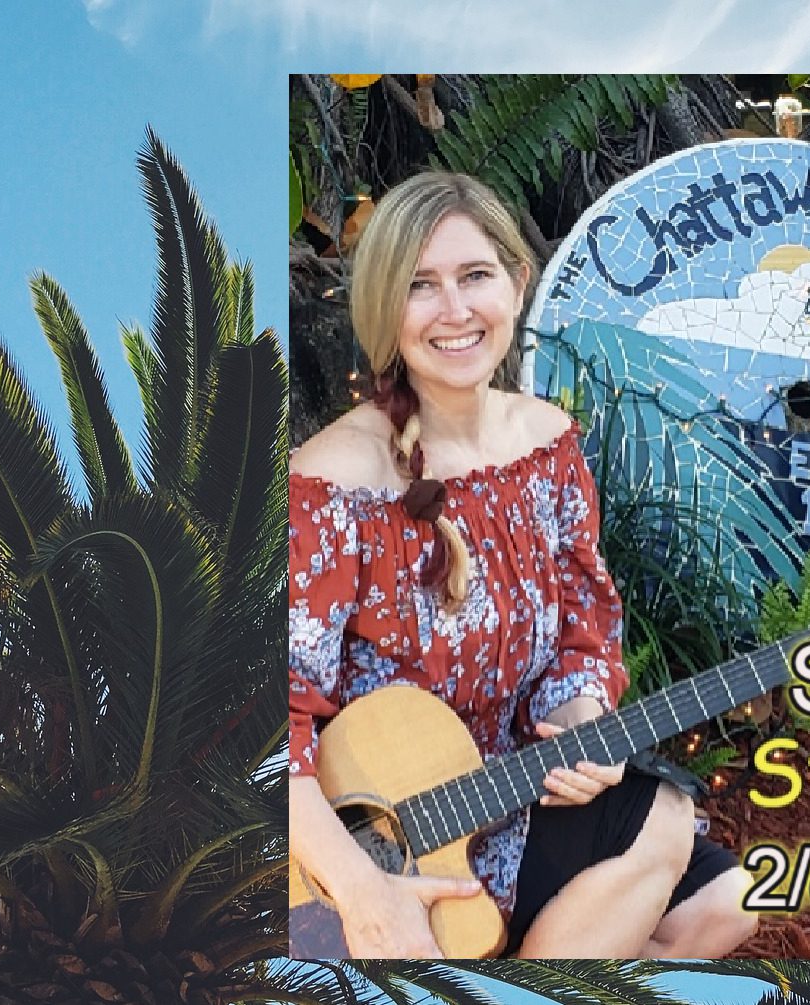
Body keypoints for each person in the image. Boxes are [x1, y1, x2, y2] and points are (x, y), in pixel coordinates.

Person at [287, 171, 757, 959]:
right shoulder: (333, 485)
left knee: (730, 905)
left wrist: (580, 722)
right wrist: (365, 894)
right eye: (420, 286)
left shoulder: (546, 445)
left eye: (475, 276)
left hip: (515, 792)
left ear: (517, 279)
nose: (456, 311)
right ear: (382, 306)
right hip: (372, 837)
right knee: (668, 821)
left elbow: (584, 629)